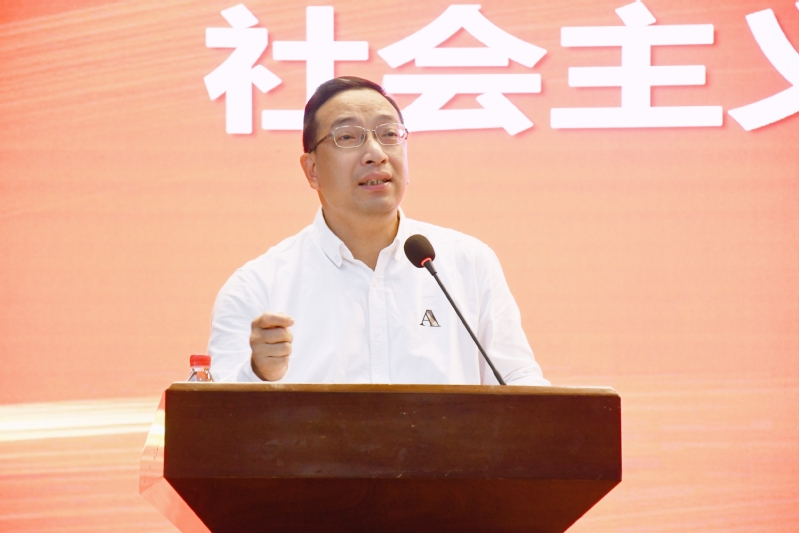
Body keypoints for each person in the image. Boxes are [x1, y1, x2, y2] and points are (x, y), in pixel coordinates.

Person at [208, 76, 549, 386]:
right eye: (347, 137)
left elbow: (518, 380)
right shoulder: (257, 288)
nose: (375, 153)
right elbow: (217, 419)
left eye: (389, 135)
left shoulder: (468, 264)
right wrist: (257, 374)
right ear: (312, 170)